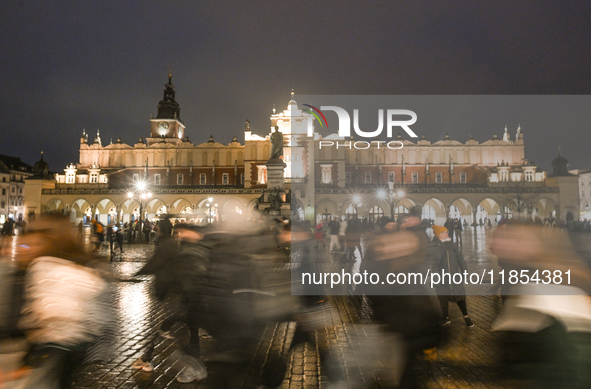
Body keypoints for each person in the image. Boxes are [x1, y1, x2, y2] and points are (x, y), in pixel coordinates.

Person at [15, 214, 115, 388]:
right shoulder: (84, 264)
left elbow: (46, 311)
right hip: (78, 346)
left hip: (53, 346)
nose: (27, 245)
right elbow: (104, 313)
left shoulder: (44, 265)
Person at [431, 225, 473, 327]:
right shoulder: (434, 247)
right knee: (443, 298)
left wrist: (464, 271)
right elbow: (431, 263)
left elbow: (460, 259)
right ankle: (446, 317)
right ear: (438, 235)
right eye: (443, 233)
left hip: (455, 276)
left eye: (446, 232)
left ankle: (466, 316)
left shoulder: (452, 245)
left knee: (460, 296)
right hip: (442, 277)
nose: (446, 234)